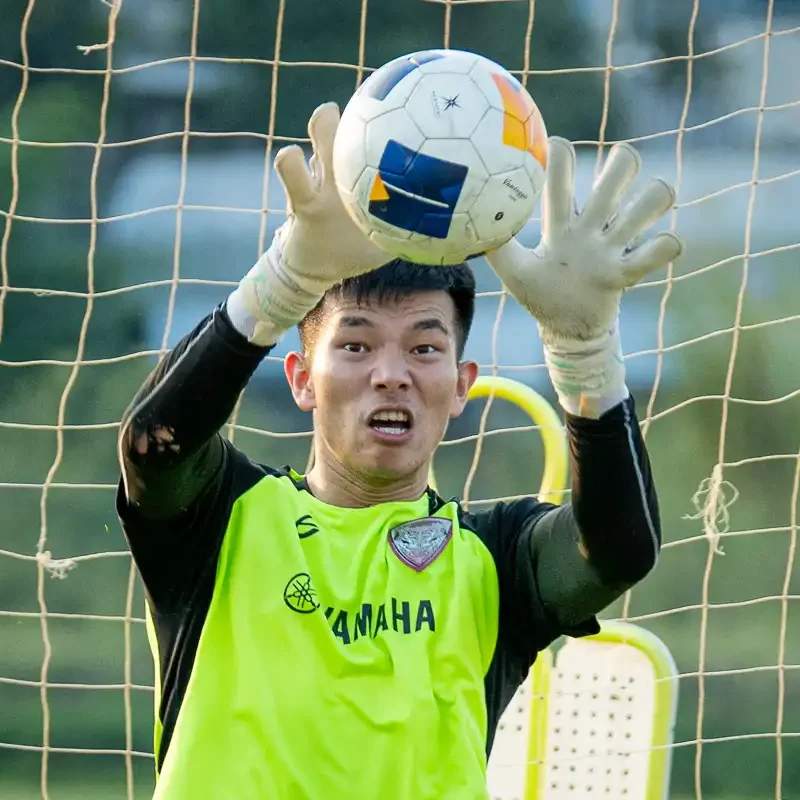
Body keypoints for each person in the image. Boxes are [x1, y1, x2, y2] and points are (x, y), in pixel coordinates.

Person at [117, 103, 683, 800]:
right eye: (354, 345)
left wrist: (585, 352)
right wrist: (283, 280)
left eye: (424, 348)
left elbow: (618, 551)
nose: (392, 373)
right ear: (301, 380)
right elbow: (155, 445)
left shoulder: (497, 559)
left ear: (459, 388)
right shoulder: (224, 519)